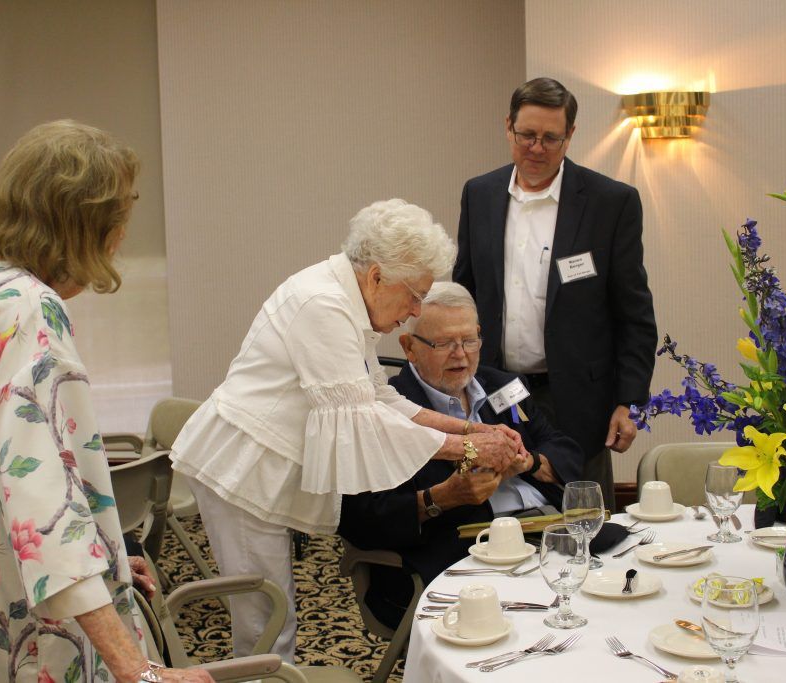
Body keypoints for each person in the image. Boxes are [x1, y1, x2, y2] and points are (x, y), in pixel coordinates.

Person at [0, 121, 210, 682]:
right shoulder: (29, 310)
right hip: (24, 630)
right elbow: (42, 510)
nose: (122, 237)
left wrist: (104, 558)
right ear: (86, 226)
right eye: (119, 219)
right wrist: (138, 671)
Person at [170, 199, 524, 660]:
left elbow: (381, 399)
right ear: (377, 276)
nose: (416, 310)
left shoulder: (346, 299)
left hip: (262, 460)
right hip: (242, 466)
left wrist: (473, 432)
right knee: (265, 619)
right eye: (414, 295)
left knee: (274, 614)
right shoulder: (323, 304)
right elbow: (363, 420)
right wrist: (471, 451)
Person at [453, 77, 657, 509]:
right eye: (527, 135)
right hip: (498, 388)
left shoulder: (610, 202)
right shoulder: (479, 194)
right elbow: (464, 292)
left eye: (551, 138)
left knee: (585, 519)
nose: (537, 148)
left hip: (578, 400)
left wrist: (628, 401)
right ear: (508, 127)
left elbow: (634, 315)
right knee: (502, 512)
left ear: (570, 135)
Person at [338, 282, 584, 629]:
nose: (461, 354)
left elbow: (563, 447)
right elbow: (361, 517)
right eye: (443, 344)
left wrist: (528, 462)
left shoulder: (504, 386)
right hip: (460, 558)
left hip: (546, 535)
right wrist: (443, 497)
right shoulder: (385, 409)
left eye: (469, 340)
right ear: (409, 347)